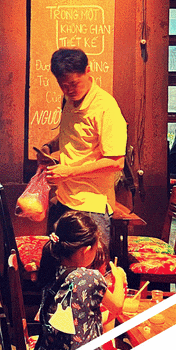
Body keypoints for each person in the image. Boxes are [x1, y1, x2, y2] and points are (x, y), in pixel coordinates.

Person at [40, 48, 127, 250]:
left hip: (91, 206)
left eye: (74, 84)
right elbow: (74, 135)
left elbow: (116, 162)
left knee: (89, 267)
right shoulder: (68, 100)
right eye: (63, 85)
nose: (69, 90)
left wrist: (69, 172)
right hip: (64, 199)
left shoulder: (106, 107)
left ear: (88, 70)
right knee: (58, 263)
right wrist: (49, 146)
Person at [32, 211, 126, 350]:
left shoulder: (51, 266)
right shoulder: (89, 277)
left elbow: (78, 321)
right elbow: (117, 306)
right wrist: (119, 276)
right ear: (86, 250)